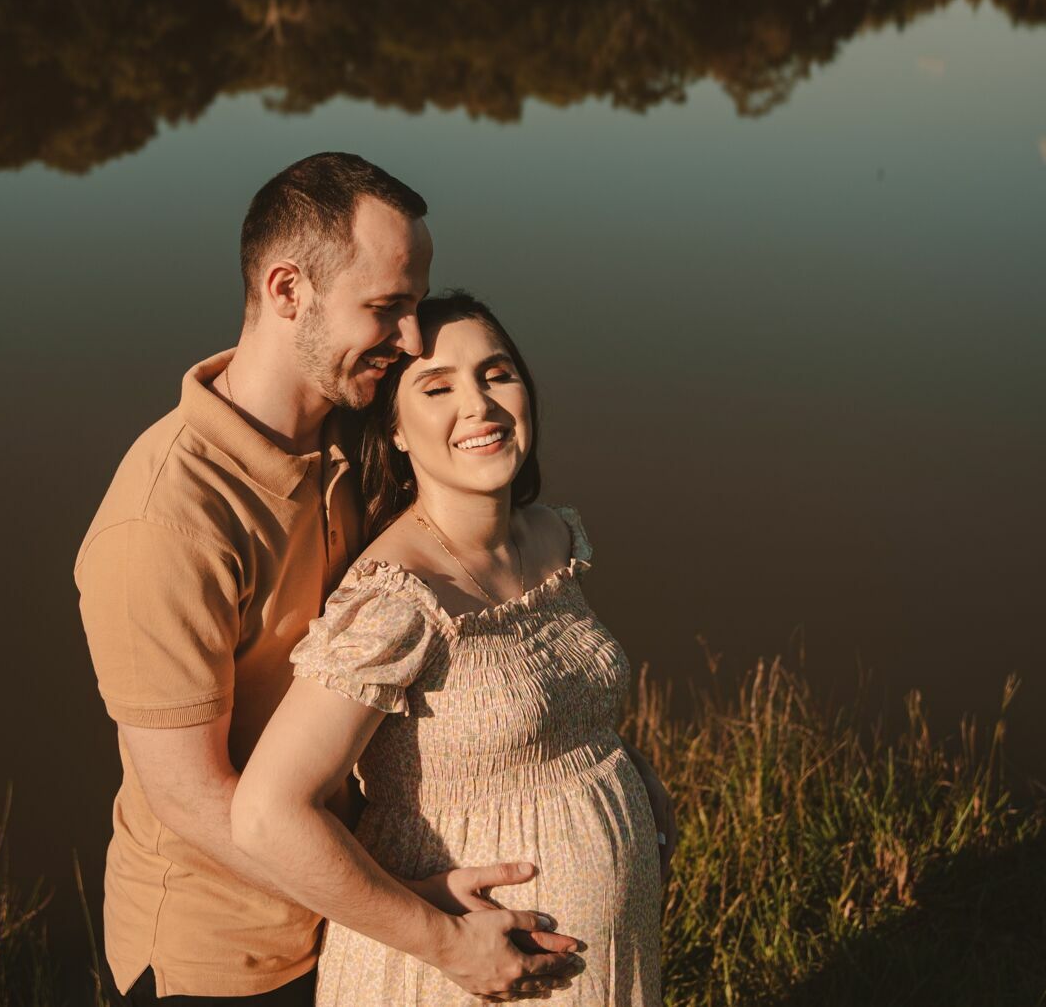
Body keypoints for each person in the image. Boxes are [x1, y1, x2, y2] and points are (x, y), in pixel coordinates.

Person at [74, 156, 581, 1005]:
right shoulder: (165, 521)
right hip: (226, 960)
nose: (411, 339)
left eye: (416, 306)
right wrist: (428, 930)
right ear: (287, 290)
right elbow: (193, 798)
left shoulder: (354, 432)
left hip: (357, 910)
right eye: (386, 308)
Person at [231, 293, 678, 1006]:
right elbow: (267, 815)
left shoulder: (552, 538)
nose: (479, 406)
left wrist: (623, 771)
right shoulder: (397, 599)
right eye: (437, 388)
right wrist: (444, 941)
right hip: (458, 978)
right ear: (396, 431)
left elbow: (548, 710)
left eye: (496, 375)